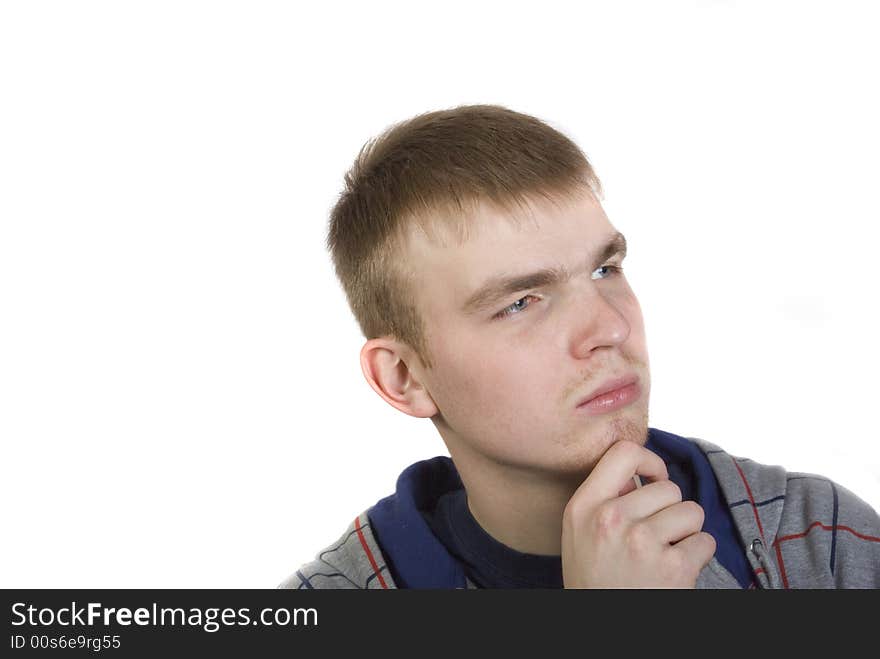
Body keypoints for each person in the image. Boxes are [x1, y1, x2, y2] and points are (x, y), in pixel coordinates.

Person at [280, 104, 880, 589]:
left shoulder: (818, 540)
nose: (610, 329)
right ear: (405, 378)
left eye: (604, 269)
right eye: (520, 303)